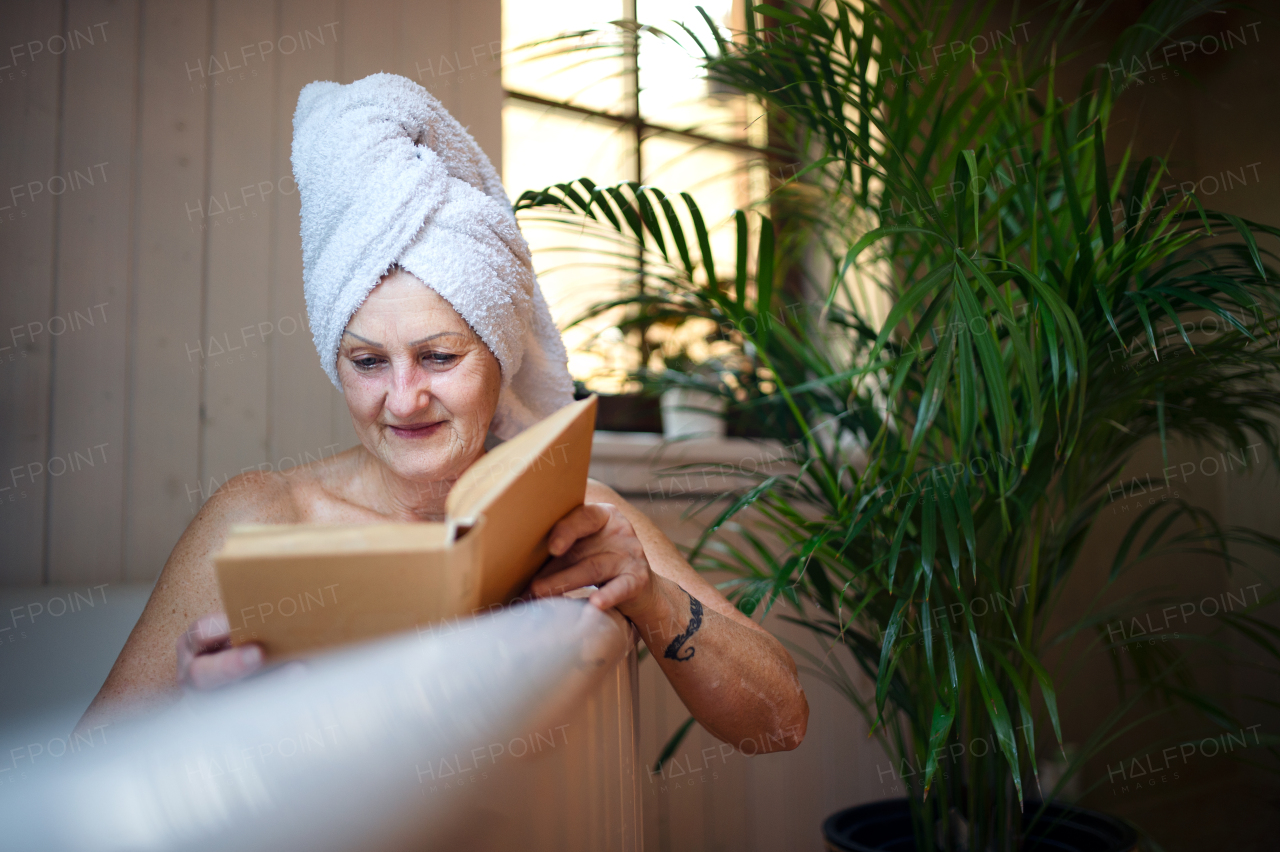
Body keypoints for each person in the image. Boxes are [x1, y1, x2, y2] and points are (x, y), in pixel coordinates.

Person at [75, 74, 808, 754]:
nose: (403, 398)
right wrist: (202, 728)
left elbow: (781, 722)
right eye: (367, 362)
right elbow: (85, 780)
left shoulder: (582, 514)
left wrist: (649, 592)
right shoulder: (259, 522)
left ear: (498, 354)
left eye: (438, 357)